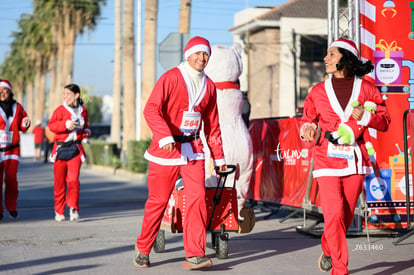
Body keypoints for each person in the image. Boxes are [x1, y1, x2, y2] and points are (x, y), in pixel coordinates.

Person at [134, 36, 226, 270]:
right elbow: (151, 109)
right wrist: (164, 135)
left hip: (194, 151)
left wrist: (219, 157)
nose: (202, 58)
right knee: (158, 201)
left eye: (205, 54)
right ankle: (143, 249)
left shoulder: (210, 86)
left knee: (197, 200)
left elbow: (213, 125)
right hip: (165, 150)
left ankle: (194, 254)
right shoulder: (171, 78)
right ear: (188, 54)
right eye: (197, 53)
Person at [300, 38, 391, 275]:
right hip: (326, 159)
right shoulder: (318, 91)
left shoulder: (367, 88)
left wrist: (366, 117)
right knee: (334, 214)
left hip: (355, 160)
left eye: (331, 54)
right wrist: (307, 129)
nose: (325, 59)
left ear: (346, 58)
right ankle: (340, 269)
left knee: (346, 215)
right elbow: (307, 119)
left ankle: (329, 249)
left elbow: (384, 121)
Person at [204, 44, 255, 233]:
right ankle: (237, 210)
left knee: (210, 180)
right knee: (241, 176)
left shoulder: (206, 90)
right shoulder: (238, 94)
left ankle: (210, 215)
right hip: (241, 138)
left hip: (217, 139)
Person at [48, 83, 91, 222]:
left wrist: (86, 134)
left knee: (73, 180)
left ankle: (73, 207)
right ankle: (59, 211)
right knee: (59, 183)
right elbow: (51, 126)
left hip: (75, 149)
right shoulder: (60, 110)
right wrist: (66, 125)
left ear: (76, 95)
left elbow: (85, 126)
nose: (65, 96)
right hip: (60, 149)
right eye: (64, 94)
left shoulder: (83, 110)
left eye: (68, 94)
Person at [0, 79, 31, 220]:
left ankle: (11, 206)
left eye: (4, 89)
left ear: (10, 91)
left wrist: (26, 123)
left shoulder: (17, 107)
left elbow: (23, 124)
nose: (1, 92)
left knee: (11, 179)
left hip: (12, 149)